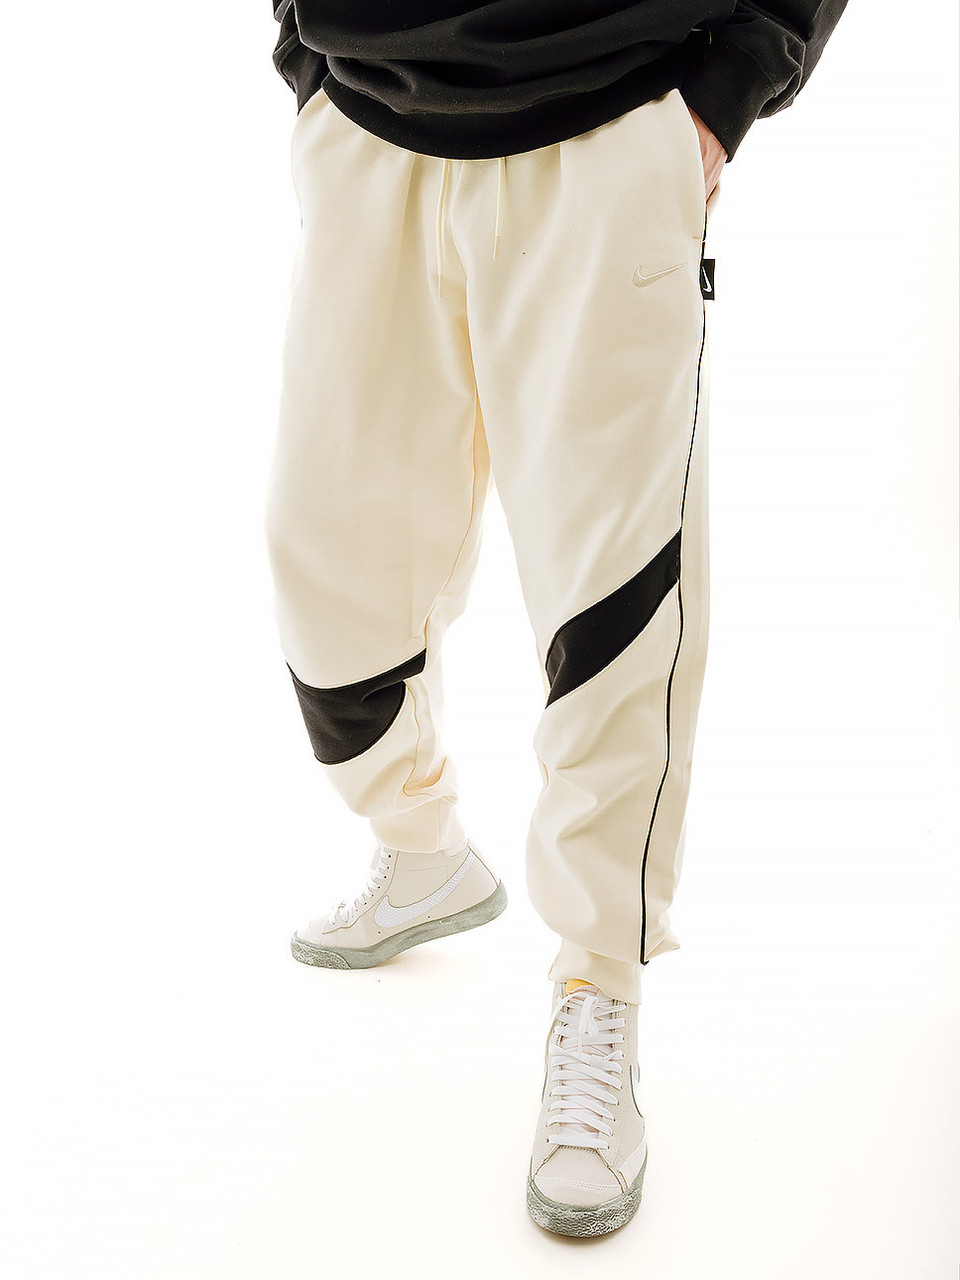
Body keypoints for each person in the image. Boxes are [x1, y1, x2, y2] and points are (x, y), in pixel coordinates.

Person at [265, 0, 848, 1238]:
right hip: (368, 118)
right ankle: (424, 849)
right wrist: (303, 48)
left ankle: (599, 987)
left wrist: (732, 84)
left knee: (612, 607)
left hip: (605, 122)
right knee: (328, 562)